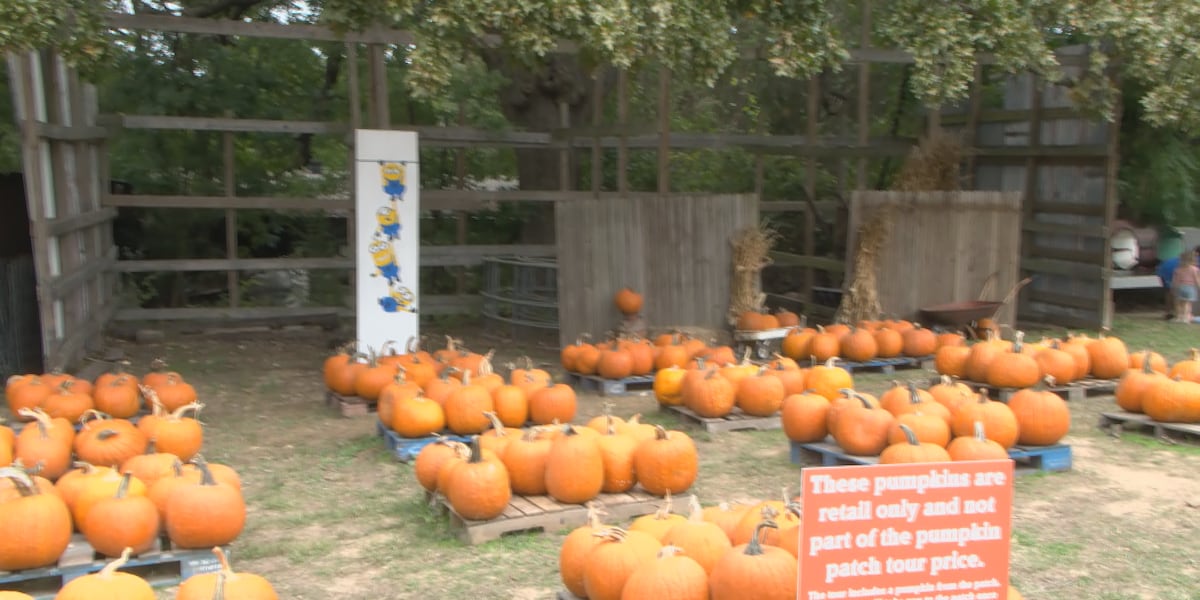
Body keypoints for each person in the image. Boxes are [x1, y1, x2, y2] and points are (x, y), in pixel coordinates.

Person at [1159, 246, 1200, 320]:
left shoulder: (1184, 258)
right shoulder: (1195, 261)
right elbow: (1196, 277)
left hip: (1164, 269)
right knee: (1187, 302)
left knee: (1173, 296)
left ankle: (1171, 313)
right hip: (1182, 280)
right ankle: (1186, 316)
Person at [1172, 251, 1200, 323]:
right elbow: (1197, 279)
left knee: (1179, 303)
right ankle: (1186, 318)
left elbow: (1175, 281)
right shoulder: (1195, 269)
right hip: (1190, 288)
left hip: (1181, 287)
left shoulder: (1178, 269)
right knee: (1188, 303)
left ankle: (1179, 317)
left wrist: (1174, 288)